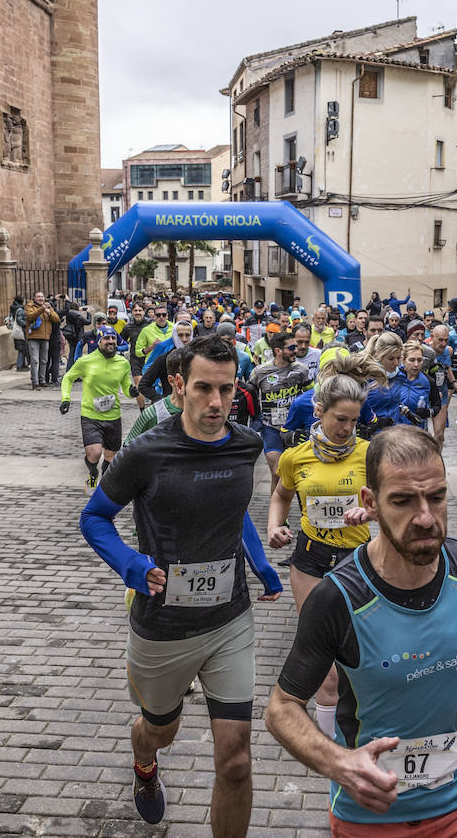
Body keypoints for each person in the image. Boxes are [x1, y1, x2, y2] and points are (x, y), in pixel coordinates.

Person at [264, 425, 457, 837]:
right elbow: (281, 708)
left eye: (437, 497)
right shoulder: (339, 598)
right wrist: (340, 764)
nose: (425, 517)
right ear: (370, 502)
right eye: (403, 501)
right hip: (370, 817)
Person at [78, 335, 280, 834]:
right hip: (163, 626)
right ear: (178, 385)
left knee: (235, 760)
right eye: (204, 389)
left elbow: (235, 514)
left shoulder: (247, 444)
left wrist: (260, 563)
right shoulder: (147, 452)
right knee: (159, 732)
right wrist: (130, 564)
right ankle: (145, 762)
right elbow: (95, 517)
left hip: (229, 620)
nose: (216, 403)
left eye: (227, 390)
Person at [266, 359, 377, 740]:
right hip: (311, 560)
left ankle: (361, 724)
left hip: (359, 561)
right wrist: (274, 526)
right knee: (325, 662)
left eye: (353, 421)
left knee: (361, 653)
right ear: (320, 411)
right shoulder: (296, 457)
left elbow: (390, 503)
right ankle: (331, 748)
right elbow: (280, 496)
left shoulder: (369, 453)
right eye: (340, 419)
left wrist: (370, 510)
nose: (347, 429)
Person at [61, 326, 133, 492]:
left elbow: (127, 387)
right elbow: (68, 378)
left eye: (113, 339)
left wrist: (132, 392)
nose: (110, 342)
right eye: (106, 339)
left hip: (113, 415)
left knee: (110, 456)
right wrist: (66, 398)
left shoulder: (122, 363)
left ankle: (104, 487)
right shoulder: (86, 361)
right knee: (94, 453)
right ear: (100, 341)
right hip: (90, 414)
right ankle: (93, 473)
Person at [248, 330, 315, 490]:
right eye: (292, 347)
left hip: (293, 427)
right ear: (278, 351)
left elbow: (309, 397)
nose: (296, 350)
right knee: (277, 472)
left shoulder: (302, 370)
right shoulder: (260, 372)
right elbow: (249, 394)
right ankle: (279, 513)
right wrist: (255, 418)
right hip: (270, 427)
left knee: (297, 473)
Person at [138, 320, 193, 403]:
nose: (184, 339)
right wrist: (160, 401)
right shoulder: (165, 358)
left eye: (187, 335)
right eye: (180, 335)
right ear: (174, 336)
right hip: (171, 409)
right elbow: (143, 385)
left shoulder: (197, 356)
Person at [425, 324, 457, 451]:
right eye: (440, 340)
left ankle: (437, 460)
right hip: (426, 396)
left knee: (439, 435)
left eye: (446, 340)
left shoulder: (447, 351)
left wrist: (454, 382)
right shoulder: (424, 352)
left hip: (441, 396)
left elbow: (447, 368)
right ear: (432, 337)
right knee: (422, 434)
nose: (444, 343)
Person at [395, 340, 438, 431]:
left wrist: (428, 412)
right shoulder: (394, 377)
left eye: (419, 360)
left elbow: (437, 405)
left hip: (417, 431)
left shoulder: (428, 381)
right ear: (403, 360)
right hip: (395, 430)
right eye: (412, 360)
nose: (416, 364)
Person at [24, 292, 61, 390]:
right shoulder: (29, 306)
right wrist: (42, 309)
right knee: (35, 360)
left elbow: (57, 319)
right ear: (34, 298)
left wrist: (49, 312)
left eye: (42, 297)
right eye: (38, 297)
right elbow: (30, 316)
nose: (41, 298)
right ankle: (35, 382)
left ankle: (42, 380)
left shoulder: (48, 307)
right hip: (33, 337)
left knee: (44, 360)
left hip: (45, 337)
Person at [121, 302, 151, 409]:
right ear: (132, 312)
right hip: (135, 360)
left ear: (144, 312)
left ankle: (154, 412)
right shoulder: (128, 327)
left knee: (151, 386)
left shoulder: (151, 324)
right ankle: (142, 412)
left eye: (140, 310)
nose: (138, 313)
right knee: (139, 386)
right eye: (135, 311)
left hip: (149, 359)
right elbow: (121, 341)